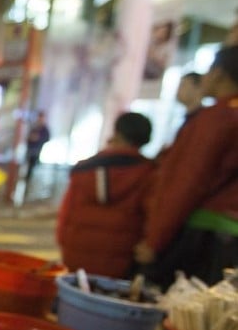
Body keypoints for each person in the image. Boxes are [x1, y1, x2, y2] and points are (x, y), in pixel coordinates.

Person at [136, 45, 238, 288]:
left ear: (219, 73)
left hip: (204, 237)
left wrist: (154, 240)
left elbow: (188, 181)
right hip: (228, 237)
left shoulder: (217, 118)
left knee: (173, 310)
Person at [56, 112, 155, 279]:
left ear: (117, 133)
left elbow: (66, 212)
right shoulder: (150, 173)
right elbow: (152, 217)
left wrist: (64, 242)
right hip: (121, 259)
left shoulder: (84, 170)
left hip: (76, 254)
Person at [24, 110, 50, 186]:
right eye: (39, 118)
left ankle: (31, 182)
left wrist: (38, 139)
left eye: (41, 118)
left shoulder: (45, 129)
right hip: (30, 151)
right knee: (28, 167)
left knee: (34, 168)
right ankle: (27, 181)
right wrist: (31, 138)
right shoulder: (34, 127)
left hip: (38, 151)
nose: (40, 119)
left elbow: (47, 138)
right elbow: (28, 138)